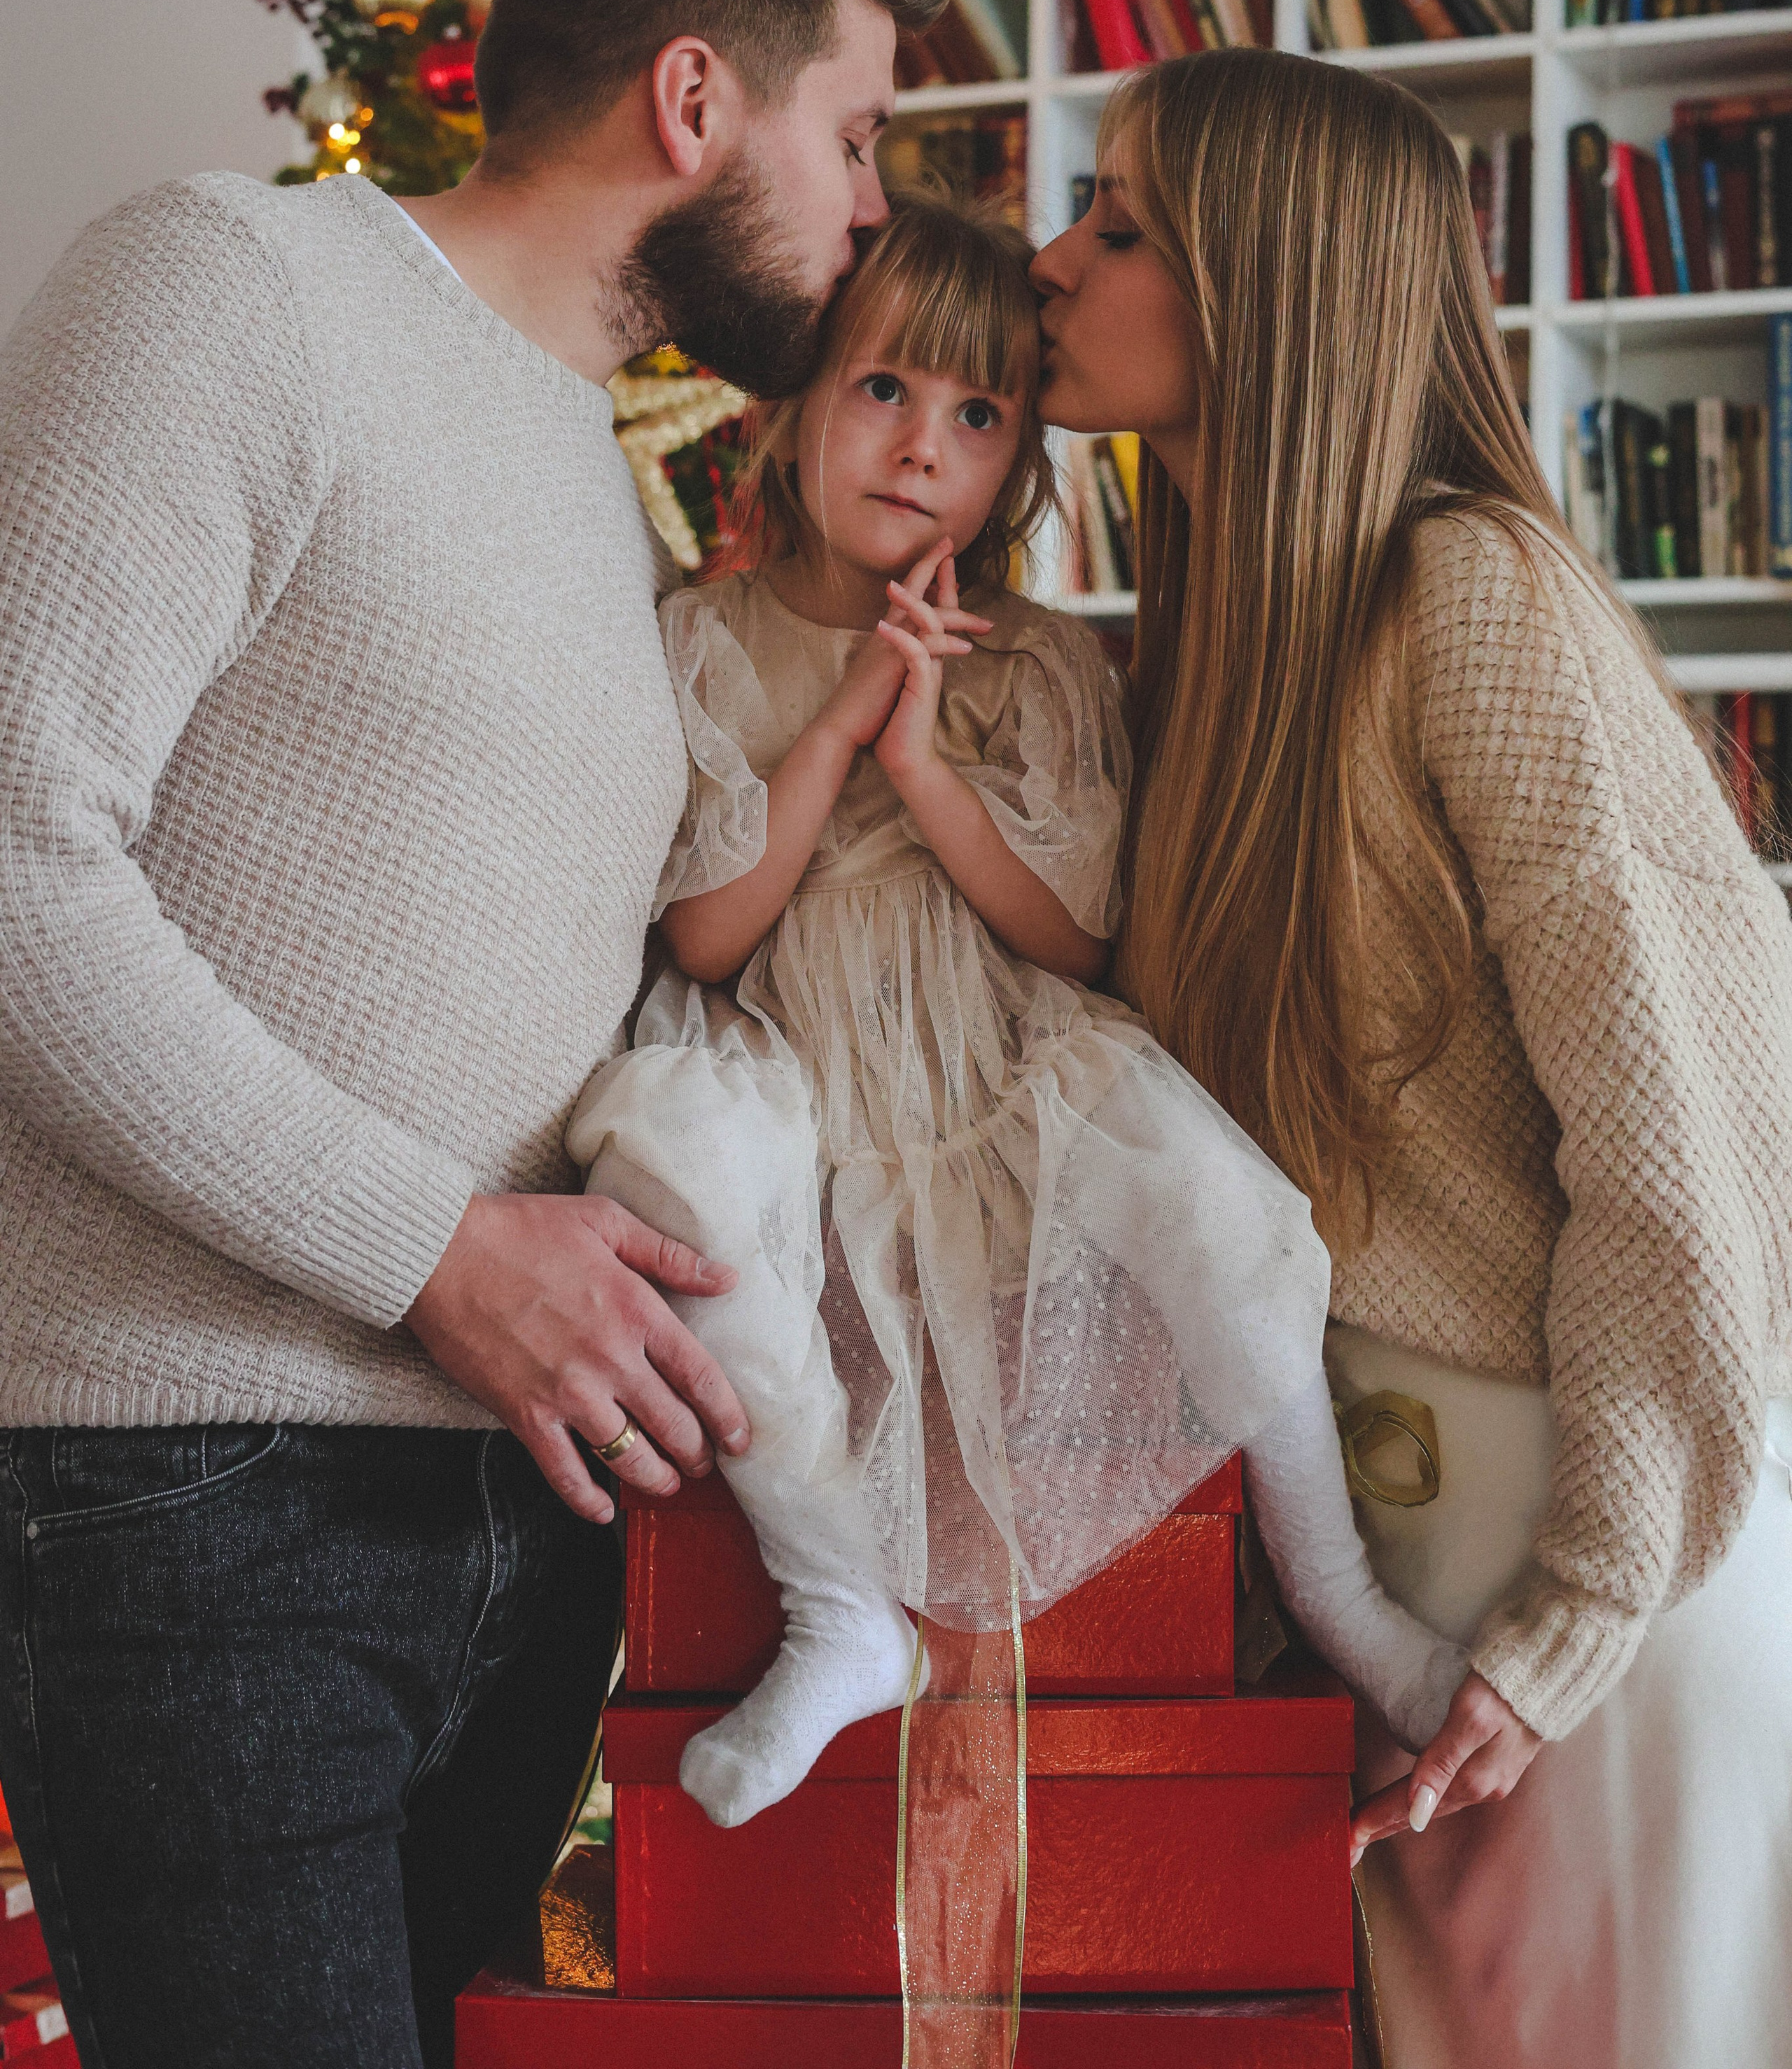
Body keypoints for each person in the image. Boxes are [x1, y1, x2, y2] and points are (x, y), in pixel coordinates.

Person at [0, 0, 950, 2069]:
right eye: (861, 135)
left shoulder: (586, 465)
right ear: (697, 106)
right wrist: (436, 1246)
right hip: (203, 1483)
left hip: (517, 1506)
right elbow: (18, 862)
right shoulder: (227, 286)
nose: (878, 209)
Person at [1030, 44, 1792, 2069]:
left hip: (1594, 1567)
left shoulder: (1475, 594)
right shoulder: (1207, 653)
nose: (1047, 266)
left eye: (1112, 227)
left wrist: (1578, 1609)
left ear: (1262, 286)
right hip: (1400, 1574)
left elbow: (1688, 1139)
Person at [567, 192, 1468, 1835]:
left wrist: (922, 759)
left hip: (995, 1052)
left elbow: (1075, 937)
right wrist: (839, 727)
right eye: (883, 391)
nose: (921, 448)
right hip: (795, 1064)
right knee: (673, 1176)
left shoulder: (1038, 659)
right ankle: (840, 1612)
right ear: (788, 414)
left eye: (977, 414)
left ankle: (1338, 1600)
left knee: (1224, 1212)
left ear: (1019, 470)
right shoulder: (702, 637)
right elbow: (703, 938)